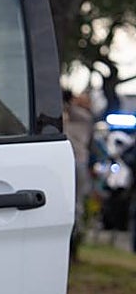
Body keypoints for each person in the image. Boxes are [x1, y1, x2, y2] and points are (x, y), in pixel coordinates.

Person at [63, 88, 94, 259]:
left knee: (76, 204)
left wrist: (67, 99)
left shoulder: (83, 117)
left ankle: (73, 242)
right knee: (76, 203)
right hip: (77, 161)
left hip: (76, 161)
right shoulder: (82, 117)